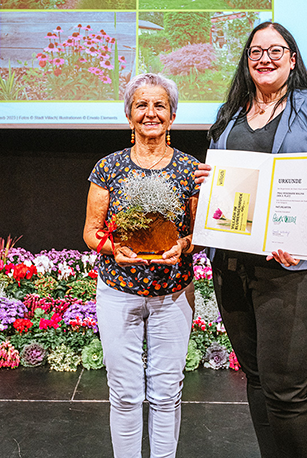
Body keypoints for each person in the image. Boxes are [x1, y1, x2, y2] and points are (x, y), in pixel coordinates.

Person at [196, 22, 307, 458]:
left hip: (294, 267)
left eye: (276, 51)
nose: (265, 59)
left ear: (292, 58)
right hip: (233, 264)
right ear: (247, 60)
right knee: (258, 379)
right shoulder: (232, 113)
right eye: (256, 51)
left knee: (285, 388)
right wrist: (209, 181)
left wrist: (303, 234)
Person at [81, 73, 200, 458]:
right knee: (126, 393)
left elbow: (200, 234)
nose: (151, 113)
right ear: (129, 115)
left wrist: (182, 246)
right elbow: (91, 232)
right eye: (142, 105)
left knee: (167, 393)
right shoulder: (108, 168)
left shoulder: (190, 170)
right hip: (118, 292)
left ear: (173, 115)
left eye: (159, 105)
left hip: (174, 294)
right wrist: (113, 248)